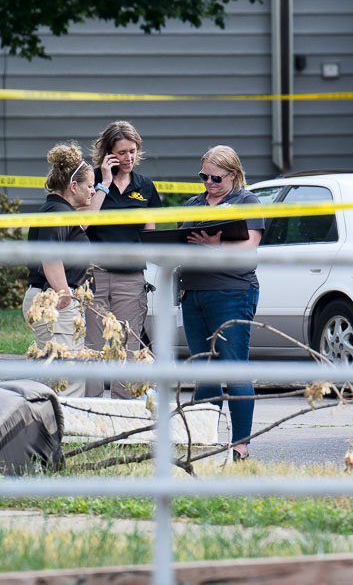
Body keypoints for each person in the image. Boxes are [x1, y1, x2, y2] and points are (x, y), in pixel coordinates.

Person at [179, 145, 264, 461]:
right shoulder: (193, 204)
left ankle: (240, 445)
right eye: (204, 176)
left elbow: (249, 246)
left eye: (216, 178)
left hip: (232, 292)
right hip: (194, 293)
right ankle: (203, 441)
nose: (209, 183)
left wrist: (215, 244)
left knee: (233, 367)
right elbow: (181, 241)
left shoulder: (247, 201)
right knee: (205, 369)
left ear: (234, 174)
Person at [85, 121, 161, 398]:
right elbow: (83, 222)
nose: (128, 158)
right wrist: (104, 183)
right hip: (93, 275)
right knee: (93, 347)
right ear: (108, 153)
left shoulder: (145, 186)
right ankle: (89, 408)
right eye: (122, 152)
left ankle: (123, 410)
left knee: (128, 347)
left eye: (133, 151)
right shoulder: (90, 180)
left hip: (130, 278)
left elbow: (150, 233)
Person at [23, 142, 97, 397]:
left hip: (49, 298)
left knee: (52, 376)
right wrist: (64, 293)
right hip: (55, 299)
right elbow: (50, 256)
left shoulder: (59, 210)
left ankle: (49, 421)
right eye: (90, 186)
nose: (93, 190)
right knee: (68, 380)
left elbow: (89, 213)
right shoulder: (58, 213)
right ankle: (66, 423)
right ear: (73, 186)